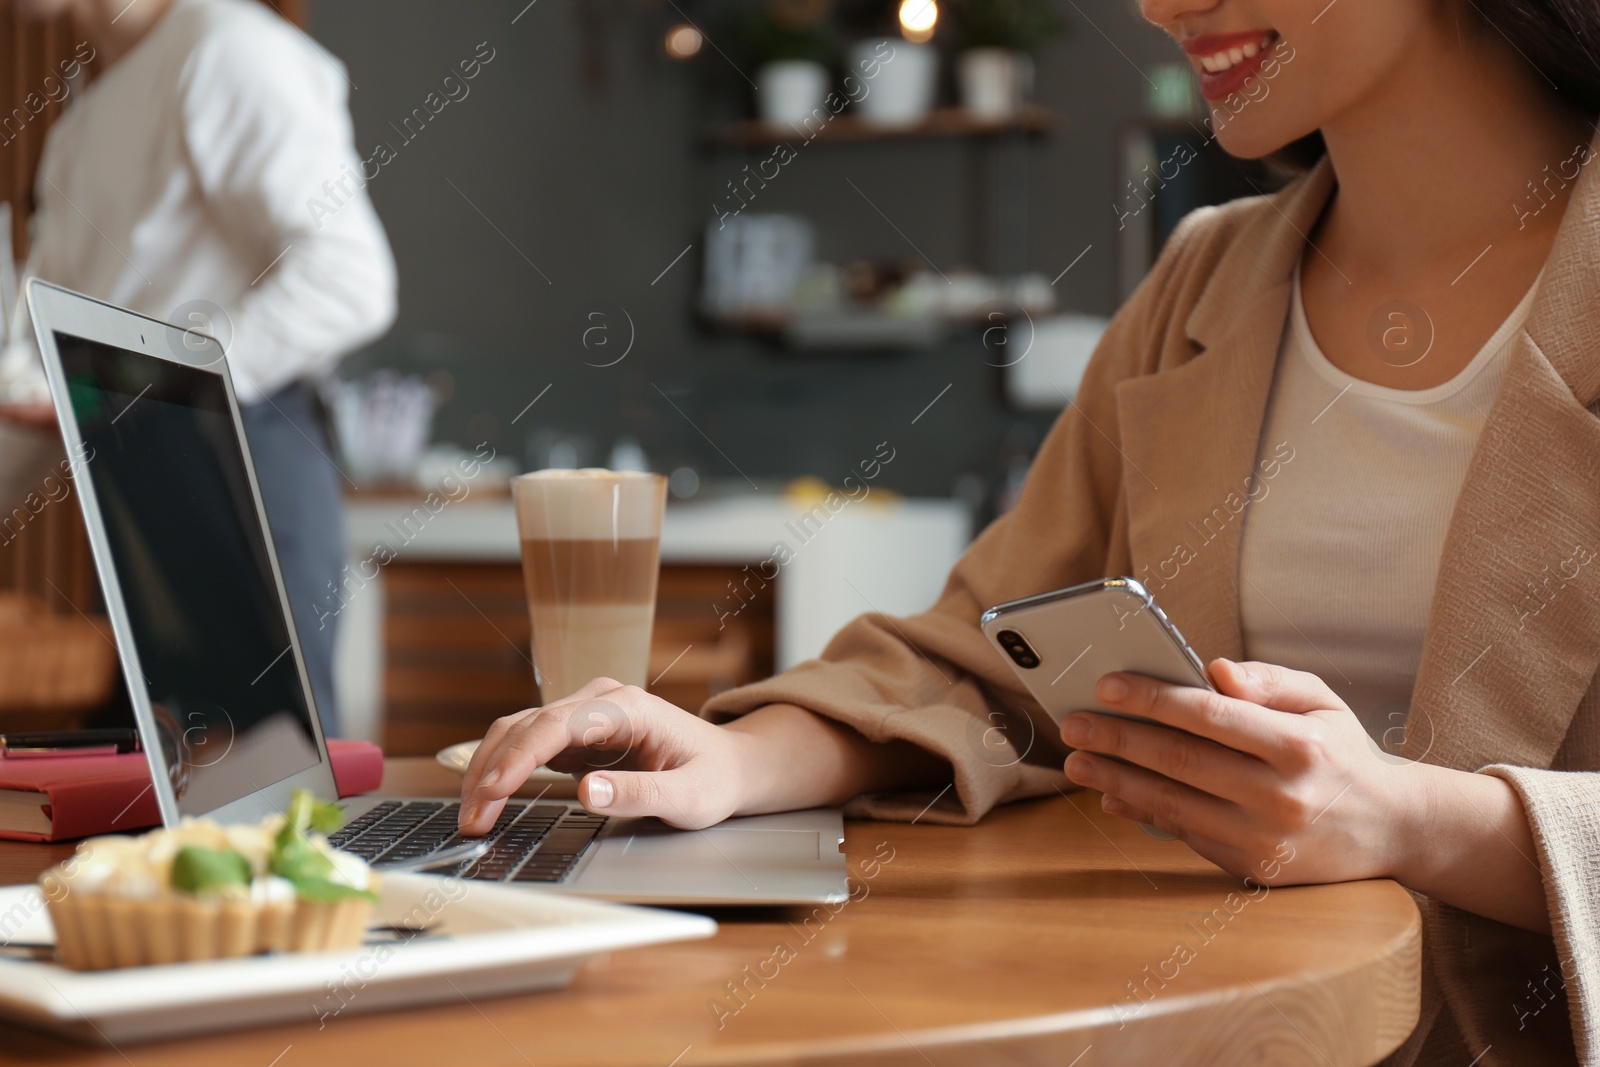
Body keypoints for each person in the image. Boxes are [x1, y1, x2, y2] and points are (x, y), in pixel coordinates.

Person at [462, 1, 1600, 1061]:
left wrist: (1416, 821)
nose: (1159, 3)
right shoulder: (1205, 280)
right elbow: (990, 646)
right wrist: (743, 758)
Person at [6, 0, 397, 735]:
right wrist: (107, 387)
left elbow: (348, 281)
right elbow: (43, 381)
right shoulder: (80, 125)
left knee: (279, 783)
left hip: (239, 463)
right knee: (167, 794)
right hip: (134, 480)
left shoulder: (230, 50)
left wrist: (136, 379)